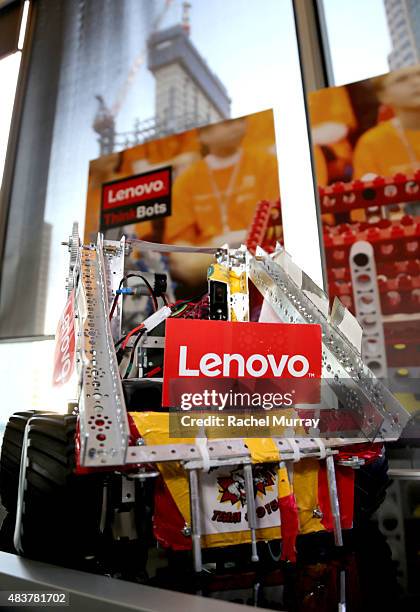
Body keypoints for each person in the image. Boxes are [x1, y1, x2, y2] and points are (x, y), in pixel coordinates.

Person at [163, 116, 280, 286]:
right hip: (210, 257)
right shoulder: (187, 180)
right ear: (203, 135)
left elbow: (276, 223)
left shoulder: (267, 164)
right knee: (185, 264)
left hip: (260, 249)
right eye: (228, 123)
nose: (237, 126)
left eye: (241, 120)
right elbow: (180, 245)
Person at [353, 64, 420, 179]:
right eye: (402, 79)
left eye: (419, 74)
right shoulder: (371, 143)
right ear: (383, 95)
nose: (416, 82)